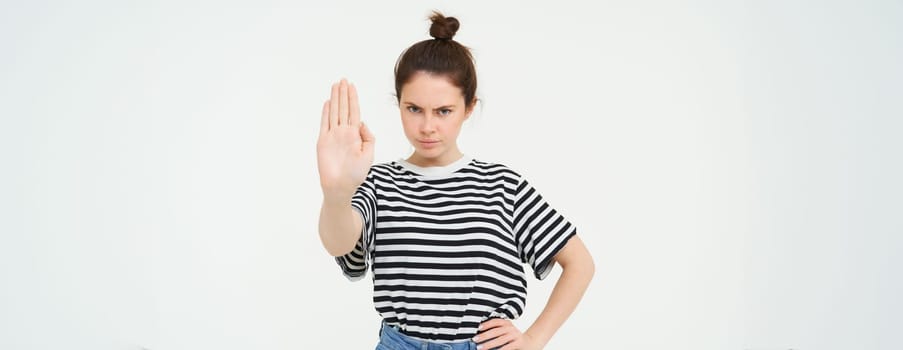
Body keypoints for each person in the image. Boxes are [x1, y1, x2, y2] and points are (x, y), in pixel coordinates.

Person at [316, 11, 594, 350]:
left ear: (469, 107)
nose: (427, 126)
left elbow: (580, 262)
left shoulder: (502, 186)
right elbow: (340, 244)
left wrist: (535, 339)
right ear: (398, 104)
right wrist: (336, 193)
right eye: (414, 108)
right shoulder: (378, 182)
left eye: (443, 111)